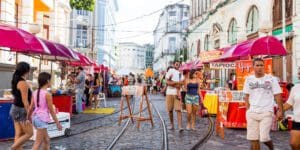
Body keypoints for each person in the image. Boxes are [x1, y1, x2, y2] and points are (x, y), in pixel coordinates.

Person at [243, 58, 283, 150]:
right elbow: (246, 95)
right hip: (252, 112)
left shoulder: (271, 79)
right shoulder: (249, 79)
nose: (260, 67)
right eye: (257, 65)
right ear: (253, 67)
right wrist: (248, 109)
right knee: (254, 138)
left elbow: (278, 95)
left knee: (264, 137)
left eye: (261, 65)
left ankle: (271, 147)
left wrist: (280, 111)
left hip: (266, 112)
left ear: (264, 66)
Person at [28, 72, 62, 150]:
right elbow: (51, 110)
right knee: (37, 144)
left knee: (46, 140)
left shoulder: (35, 92)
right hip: (41, 119)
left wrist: (28, 117)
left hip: (35, 118)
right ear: (47, 81)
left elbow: (31, 107)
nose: (51, 82)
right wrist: (57, 123)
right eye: (50, 80)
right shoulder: (47, 94)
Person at [10, 62, 33, 150]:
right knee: (29, 133)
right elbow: (25, 101)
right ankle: (12, 148)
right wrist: (29, 114)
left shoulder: (17, 80)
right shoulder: (23, 83)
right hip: (21, 110)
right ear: (26, 71)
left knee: (19, 134)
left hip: (16, 109)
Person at [283, 68, 300, 150]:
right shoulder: (295, 88)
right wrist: (280, 110)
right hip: (298, 120)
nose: (299, 73)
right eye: (299, 71)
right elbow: (289, 103)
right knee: (294, 144)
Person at [165, 60, 184, 131]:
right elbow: (167, 82)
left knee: (178, 110)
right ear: (173, 64)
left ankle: (180, 126)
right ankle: (172, 124)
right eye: (176, 64)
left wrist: (173, 83)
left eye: (179, 65)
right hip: (169, 92)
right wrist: (176, 83)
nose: (178, 66)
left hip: (177, 93)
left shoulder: (180, 73)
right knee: (170, 110)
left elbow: (182, 83)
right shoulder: (170, 71)